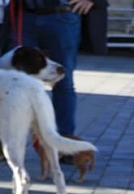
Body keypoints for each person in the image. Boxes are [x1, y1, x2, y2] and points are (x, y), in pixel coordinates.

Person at [6, 0, 100, 137]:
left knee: (63, 82)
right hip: (25, 16)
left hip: (62, 16)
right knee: (14, 81)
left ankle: (64, 140)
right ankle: (8, 142)